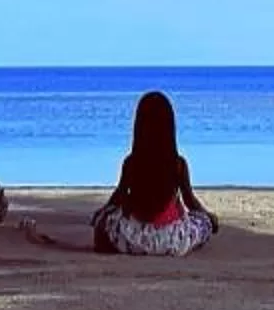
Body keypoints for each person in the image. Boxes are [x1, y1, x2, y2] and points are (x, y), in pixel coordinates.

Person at [91, 88, 217, 256]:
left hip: (133, 239)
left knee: (106, 220)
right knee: (203, 223)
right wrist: (208, 216)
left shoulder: (132, 163)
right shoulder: (178, 164)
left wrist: (102, 213)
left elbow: (118, 196)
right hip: (171, 241)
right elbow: (190, 201)